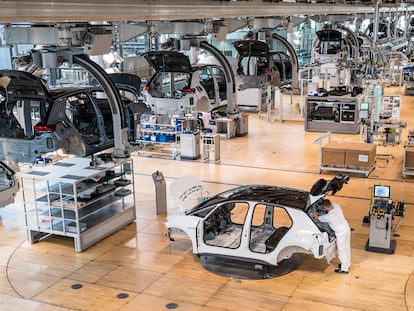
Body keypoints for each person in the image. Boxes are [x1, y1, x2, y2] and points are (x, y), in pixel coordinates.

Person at [313, 199, 351, 274]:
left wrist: (313, 211)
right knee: (346, 247)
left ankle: (344, 269)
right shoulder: (337, 206)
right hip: (346, 228)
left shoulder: (329, 216)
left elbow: (317, 218)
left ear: (325, 207)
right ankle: (346, 265)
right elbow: (330, 205)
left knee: (341, 250)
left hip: (341, 233)